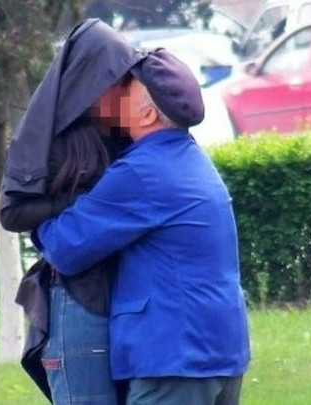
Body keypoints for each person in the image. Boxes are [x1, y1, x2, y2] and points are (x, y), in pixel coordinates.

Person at [33, 49, 251, 405]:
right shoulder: (190, 159)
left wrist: (35, 211)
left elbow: (64, 247)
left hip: (174, 361)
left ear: (148, 114)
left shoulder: (142, 171)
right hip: (219, 354)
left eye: (124, 88)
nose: (111, 92)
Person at [0, 19, 144, 405]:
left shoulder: (121, 131)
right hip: (78, 298)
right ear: (90, 81)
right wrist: (77, 202)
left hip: (127, 301)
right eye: (115, 81)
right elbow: (11, 213)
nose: (124, 90)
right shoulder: (48, 139)